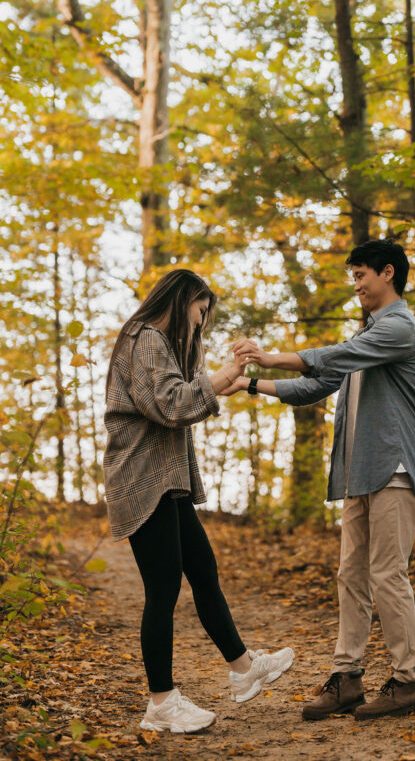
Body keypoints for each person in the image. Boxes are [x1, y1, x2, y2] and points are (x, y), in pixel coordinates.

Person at [228, 238, 415, 721]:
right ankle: (348, 680)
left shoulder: (399, 327)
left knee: (387, 575)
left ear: (388, 273)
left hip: (396, 469)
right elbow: (315, 384)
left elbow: (329, 358)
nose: (356, 284)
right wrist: (250, 383)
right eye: (353, 275)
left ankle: (410, 682)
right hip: (359, 474)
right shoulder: (364, 338)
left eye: (361, 274)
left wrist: (268, 356)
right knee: (352, 577)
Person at [103, 269, 294, 734]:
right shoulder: (144, 336)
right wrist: (221, 376)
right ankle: (161, 703)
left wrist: (226, 378)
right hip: (142, 479)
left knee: (203, 571)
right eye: (200, 310)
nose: (202, 321)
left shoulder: (161, 343)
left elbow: (186, 394)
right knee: (163, 588)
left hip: (164, 480)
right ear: (181, 299)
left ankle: (244, 668)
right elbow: (171, 405)